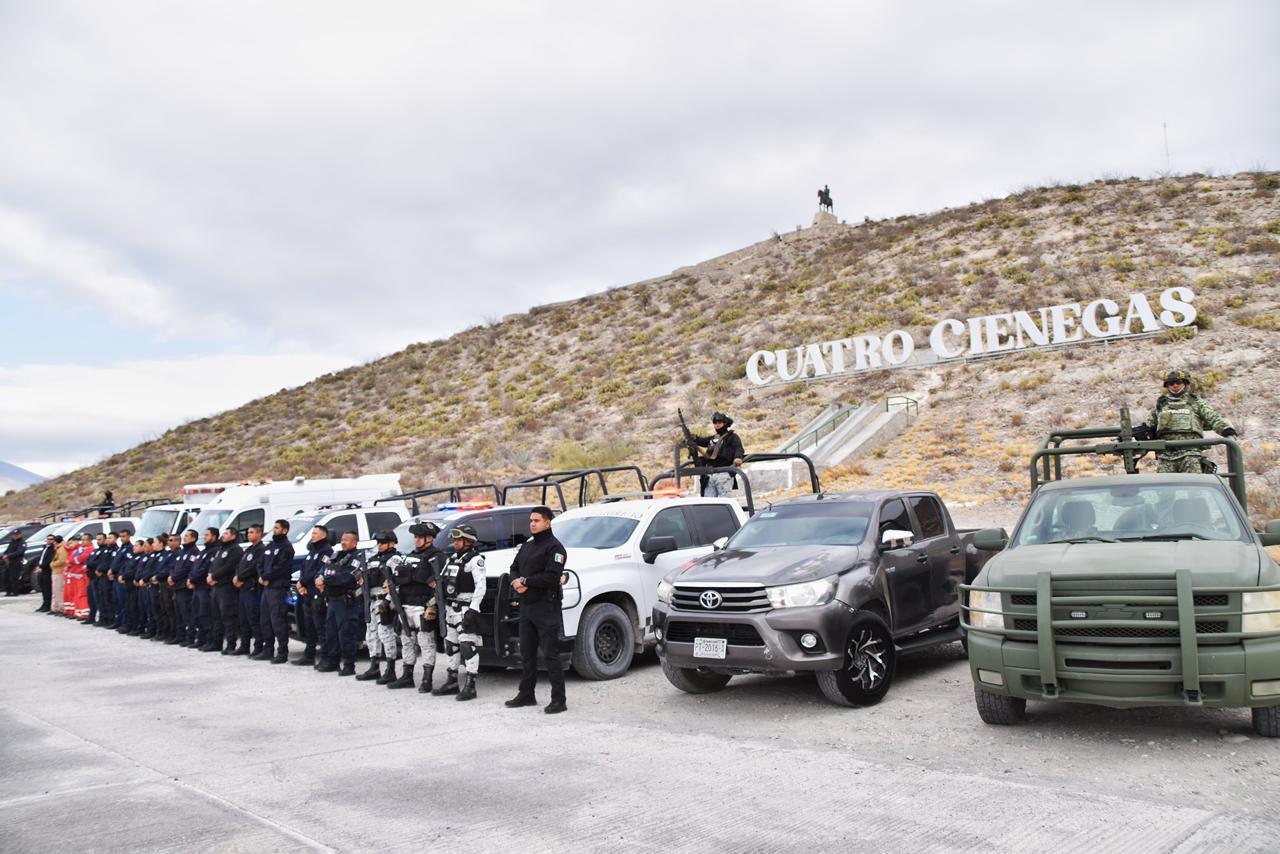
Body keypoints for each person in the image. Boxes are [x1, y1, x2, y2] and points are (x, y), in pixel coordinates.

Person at [505, 507, 569, 714]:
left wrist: (525, 582)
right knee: (527, 653)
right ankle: (526, 694)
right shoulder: (527, 546)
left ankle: (558, 700)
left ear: (547, 522)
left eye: (537, 520)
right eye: (531, 520)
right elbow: (513, 567)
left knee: (551, 654)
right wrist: (516, 582)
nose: (532, 524)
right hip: (527, 606)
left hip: (546, 606)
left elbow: (551, 577)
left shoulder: (555, 548)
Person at [1134, 370, 1237, 473]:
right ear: (1167, 385)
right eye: (1171, 383)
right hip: (1166, 455)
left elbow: (1212, 417)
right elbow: (1148, 425)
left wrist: (1226, 430)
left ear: (1185, 383)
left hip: (1191, 453)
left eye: (1178, 382)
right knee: (1165, 483)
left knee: (1193, 482)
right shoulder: (1161, 404)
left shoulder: (1195, 402)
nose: (1175, 385)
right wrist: (1138, 433)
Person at [387, 522, 445, 692]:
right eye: (416, 537)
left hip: (423, 606)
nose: (416, 540)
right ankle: (407, 676)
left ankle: (427, 679)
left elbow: (440, 585)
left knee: (426, 642)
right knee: (407, 641)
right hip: (405, 605)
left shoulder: (437, 557)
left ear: (430, 538)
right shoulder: (410, 556)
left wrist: (432, 605)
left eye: (420, 537)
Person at [431, 525, 487, 701]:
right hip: (450, 608)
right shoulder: (452, 559)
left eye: (458, 540)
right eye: (455, 540)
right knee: (451, 646)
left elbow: (481, 586)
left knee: (467, 647)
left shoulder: (475, 560)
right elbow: (442, 580)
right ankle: (452, 681)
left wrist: (473, 609)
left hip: (465, 608)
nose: (455, 543)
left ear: (468, 541)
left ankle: (470, 686)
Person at [316, 530, 366, 676]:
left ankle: (349, 665)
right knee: (330, 633)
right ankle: (333, 661)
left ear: (354, 542)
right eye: (342, 539)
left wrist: (325, 580)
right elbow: (323, 569)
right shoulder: (336, 556)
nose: (343, 542)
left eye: (347, 540)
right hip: (332, 600)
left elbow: (346, 578)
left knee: (346, 634)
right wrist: (319, 578)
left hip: (346, 602)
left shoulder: (357, 559)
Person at [358, 530, 404, 683]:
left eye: (383, 542)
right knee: (371, 635)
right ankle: (374, 667)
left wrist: (388, 601)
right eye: (378, 542)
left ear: (392, 543)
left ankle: (390, 669)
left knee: (385, 634)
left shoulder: (394, 559)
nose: (380, 545)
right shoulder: (372, 559)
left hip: (385, 600)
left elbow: (397, 583)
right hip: (371, 600)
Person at [293, 525, 333, 668]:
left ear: (323, 535)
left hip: (317, 594)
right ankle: (309, 656)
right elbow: (304, 569)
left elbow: (318, 571)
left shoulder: (326, 551)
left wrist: (302, 582)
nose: (313, 536)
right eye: (312, 533)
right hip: (307, 593)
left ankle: (325, 658)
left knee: (320, 627)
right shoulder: (312, 550)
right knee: (309, 627)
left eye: (315, 533)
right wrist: (300, 583)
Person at [257, 519, 295, 664]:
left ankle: (282, 652)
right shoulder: (270, 545)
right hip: (267, 588)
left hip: (278, 588)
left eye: (277, 528)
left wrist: (267, 577)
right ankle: (268, 650)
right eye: (274, 527)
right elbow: (260, 563)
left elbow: (281, 567)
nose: (274, 530)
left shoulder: (287, 547)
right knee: (265, 620)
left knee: (278, 620)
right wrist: (262, 576)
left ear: (285, 530)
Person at [207, 528, 244, 654]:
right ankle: (216, 643)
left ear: (233, 536)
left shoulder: (236, 550)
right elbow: (214, 565)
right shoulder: (221, 549)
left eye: (226, 533)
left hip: (227, 588)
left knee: (228, 617)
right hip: (216, 587)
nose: (223, 535)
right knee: (216, 616)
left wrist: (214, 576)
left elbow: (229, 567)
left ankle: (231, 644)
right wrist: (210, 575)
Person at [693, 411, 746, 497]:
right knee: (709, 502)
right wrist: (695, 438)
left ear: (725, 423)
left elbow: (738, 448)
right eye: (715, 423)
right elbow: (702, 441)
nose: (717, 425)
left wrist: (737, 458)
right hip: (710, 475)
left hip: (724, 473)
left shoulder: (732, 437)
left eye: (719, 423)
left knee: (724, 500)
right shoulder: (713, 438)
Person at [236, 525, 266, 658]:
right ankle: (244, 645)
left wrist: (241, 577)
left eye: (252, 532)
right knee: (243, 620)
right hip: (242, 588)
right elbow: (240, 565)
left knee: (253, 619)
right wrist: (236, 576)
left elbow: (254, 568)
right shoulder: (248, 549)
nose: (249, 534)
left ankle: (258, 647)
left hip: (252, 588)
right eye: (248, 532)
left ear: (259, 534)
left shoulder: (261, 549)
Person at [189, 528, 217, 650]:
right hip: (197, 587)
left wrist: (193, 579)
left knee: (206, 614)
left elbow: (205, 568)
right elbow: (194, 567)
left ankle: (209, 640)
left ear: (214, 537)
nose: (204, 537)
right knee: (197, 614)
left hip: (205, 587)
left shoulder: (214, 551)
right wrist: (190, 578)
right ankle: (200, 639)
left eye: (207, 535)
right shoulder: (203, 551)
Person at [171, 530, 198, 646]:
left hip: (184, 586)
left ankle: (190, 637)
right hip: (176, 586)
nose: (184, 538)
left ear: (193, 538)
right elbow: (174, 566)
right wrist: (171, 576)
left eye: (187, 536)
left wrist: (174, 577)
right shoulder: (181, 552)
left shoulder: (194, 552)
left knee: (187, 613)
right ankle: (180, 636)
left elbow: (187, 568)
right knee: (178, 613)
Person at [152, 533, 177, 642]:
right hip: (160, 584)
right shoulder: (167, 554)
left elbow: (169, 569)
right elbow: (159, 568)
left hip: (167, 584)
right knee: (162, 609)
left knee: (169, 610)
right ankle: (163, 632)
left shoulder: (175, 554)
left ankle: (172, 633)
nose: (169, 542)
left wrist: (158, 576)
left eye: (171, 540)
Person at [86, 532, 115, 625]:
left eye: (100, 539)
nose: (98, 541)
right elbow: (89, 560)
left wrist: (97, 568)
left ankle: (107, 619)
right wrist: (88, 565)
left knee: (104, 599)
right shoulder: (96, 550)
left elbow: (99, 562)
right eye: (97, 539)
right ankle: (96, 617)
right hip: (92, 577)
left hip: (101, 576)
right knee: (94, 598)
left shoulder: (106, 550)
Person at [108, 530, 133, 629]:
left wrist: (121, 574)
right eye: (121, 536)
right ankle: (118, 621)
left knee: (123, 602)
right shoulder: (121, 548)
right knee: (116, 601)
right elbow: (115, 561)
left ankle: (125, 623)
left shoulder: (129, 548)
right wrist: (111, 570)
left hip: (121, 578)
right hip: (115, 577)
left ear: (129, 536)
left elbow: (126, 564)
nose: (122, 538)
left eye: (124, 536)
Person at [64, 533, 93, 619]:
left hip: (82, 576)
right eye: (82, 540)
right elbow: (70, 559)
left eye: (84, 540)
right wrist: (73, 561)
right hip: (75, 575)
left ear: (89, 541)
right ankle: (77, 612)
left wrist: (73, 561)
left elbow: (79, 559)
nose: (82, 542)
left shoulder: (90, 549)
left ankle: (84, 613)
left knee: (82, 595)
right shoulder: (79, 550)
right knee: (75, 594)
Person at [33, 534, 56, 612]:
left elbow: (49, 560)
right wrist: (38, 565)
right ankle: (44, 603)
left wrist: (42, 567)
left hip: (47, 571)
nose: (49, 541)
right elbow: (41, 558)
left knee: (47, 589)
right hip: (41, 570)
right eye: (48, 539)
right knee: (43, 588)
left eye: (51, 539)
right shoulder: (45, 548)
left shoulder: (53, 549)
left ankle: (47, 605)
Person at [50, 535, 71, 616]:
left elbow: (62, 560)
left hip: (59, 571)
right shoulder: (58, 548)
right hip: (55, 572)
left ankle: (61, 608)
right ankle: (55, 607)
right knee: (55, 591)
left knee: (59, 591)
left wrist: (53, 564)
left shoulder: (62, 548)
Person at [3, 530, 25, 596]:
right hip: (9, 562)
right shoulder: (12, 542)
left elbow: (19, 552)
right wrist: (4, 556)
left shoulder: (22, 543)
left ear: (20, 535)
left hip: (16, 562)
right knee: (6, 577)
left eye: (17, 534)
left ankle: (15, 592)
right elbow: (7, 551)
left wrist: (8, 555)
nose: (15, 536)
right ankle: (8, 591)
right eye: (14, 535)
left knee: (14, 578)